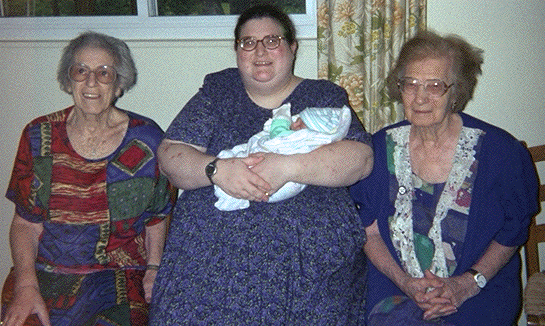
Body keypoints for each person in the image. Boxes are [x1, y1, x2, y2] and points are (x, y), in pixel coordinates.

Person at [150, 4, 373, 324]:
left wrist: (288, 166)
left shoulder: (323, 96)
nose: (260, 51)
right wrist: (218, 169)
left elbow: (361, 159)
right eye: (248, 42)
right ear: (237, 50)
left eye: (272, 40)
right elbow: (171, 153)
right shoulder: (218, 91)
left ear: (292, 47)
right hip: (211, 262)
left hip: (305, 267)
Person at [349, 31, 539, 326]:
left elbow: (513, 231)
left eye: (435, 85)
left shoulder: (502, 152)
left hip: (477, 290)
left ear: (455, 92)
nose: (420, 97)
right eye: (410, 84)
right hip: (395, 288)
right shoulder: (376, 150)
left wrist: (467, 283)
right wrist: (404, 282)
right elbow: (369, 232)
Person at [0, 31, 177, 326]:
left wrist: (154, 268)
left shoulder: (147, 139)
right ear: (68, 80)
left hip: (120, 275)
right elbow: (25, 223)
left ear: (119, 85)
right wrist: (25, 283)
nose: (91, 82)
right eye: (81, 71)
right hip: (47, 272)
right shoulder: (38, 135)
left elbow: (158, 216)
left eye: (104, 73)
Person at [214, 103, 352, 210]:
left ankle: (237, 191)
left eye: (301, 123)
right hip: (283, 191)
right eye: (296, 120)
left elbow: (277, 131)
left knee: (244, 163)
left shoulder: (301, 138)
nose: (295, 124)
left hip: (277, 181)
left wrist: (282, 115)